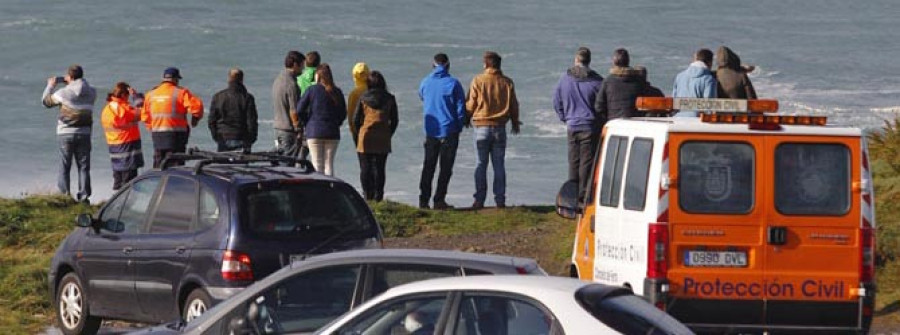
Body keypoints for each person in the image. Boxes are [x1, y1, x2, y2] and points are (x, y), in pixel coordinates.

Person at [465, 51, 520, 209]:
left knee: (480, 164)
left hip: (481, 126)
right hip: (500, 127)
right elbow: (514, 105)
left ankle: (479, 199)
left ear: (486, 64)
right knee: (499, 165)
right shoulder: (507, 82)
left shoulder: (478, 80)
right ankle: (500, 199)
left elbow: (471, 104)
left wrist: (466, 118)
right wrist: (515, 122)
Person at [553, 47, 603, 200]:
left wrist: (565, 118)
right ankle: (583, 195)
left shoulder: (564, 79)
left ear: (576, 60)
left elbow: (556, 101)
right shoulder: (597, 81)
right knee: (586, 163)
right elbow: (602, 106)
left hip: (572, 125)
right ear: (589, 61)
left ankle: (571, 195)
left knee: (573, 161)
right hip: (589, 125)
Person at [417, 53, 466, 210]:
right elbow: (460, 109)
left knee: (428, 167)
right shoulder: (453, 83)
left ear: (433, 65)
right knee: (445, 168)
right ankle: (439, 200)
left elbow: (422, 97)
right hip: (449, 129)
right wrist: (459, 127)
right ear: (448, 65)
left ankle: (423, 201)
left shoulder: (425, 82)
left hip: (431, 130)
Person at [41, 64, 97, 201]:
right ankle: (84, 198)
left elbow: (45, 102)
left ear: (70, 77)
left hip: (65, 133)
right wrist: (73, 81)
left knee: (65, 165)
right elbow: (81, 90)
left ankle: (65, 196)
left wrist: (51, 85)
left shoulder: (63, 93)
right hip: (84, 133)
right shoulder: (92, 92)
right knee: (83, 166)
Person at [141, 67, 204, 168]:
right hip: (176, 135)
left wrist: (152, 127)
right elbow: (197, 105)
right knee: (176, 165)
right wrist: (195, 118)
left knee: (159, 164)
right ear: (175, 79)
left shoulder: (150, 94)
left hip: (157, 135)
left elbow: (145, 116)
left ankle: (158, 182)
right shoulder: (181, 92)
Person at [352, 71, 399, 201]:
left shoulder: (363, 98)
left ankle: (367, 194)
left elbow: (356, 120)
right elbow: (394, 120)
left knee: (365, 167)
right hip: (383, 135)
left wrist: (358, 133)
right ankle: (379, 196)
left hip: (365, 135)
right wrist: (388, 133)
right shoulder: (390, 98)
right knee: (380, 167)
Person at [297, 63, 346, 176]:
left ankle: (318, 191)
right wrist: (336, 123)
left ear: (317, 76)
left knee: (317, 164)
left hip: (314, 131)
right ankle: (330, 190)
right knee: (329, 164)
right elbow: (343, 113)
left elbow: (299, 109)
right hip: (332, 132)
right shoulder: (337, 92)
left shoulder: (312, 90)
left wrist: (307, 122)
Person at [101, 82, 144, 190]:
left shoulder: (107, 109)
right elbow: (142, 113)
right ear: (124, 95)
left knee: (118, 180)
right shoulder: (122, 109)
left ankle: (116, 204)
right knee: (129, 183)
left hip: (114, 149)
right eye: (128, 95)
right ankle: (127, 205)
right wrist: (137, 97)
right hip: (127, 148)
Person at [208, 68, 258, 152]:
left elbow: (211, 120)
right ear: (242, 79)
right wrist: (251, 139)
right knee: (241, 165)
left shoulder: (218, 97)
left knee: (223, 164)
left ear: (229, 79)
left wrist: (216, 136)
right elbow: (252, 122)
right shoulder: (247, 98)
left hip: (223, 137)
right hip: (242, 137)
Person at [595, 48, 648, 120]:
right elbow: (646, 103)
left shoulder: (608, 81)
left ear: (614, 62)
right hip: (635, 123)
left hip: (614, 122)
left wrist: (608, 117)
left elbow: (598, 106)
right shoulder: (638, 81)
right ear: (628, 61)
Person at [272, 50, 305, 159]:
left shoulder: (278, 80)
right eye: (302, 65)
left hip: (278, 127)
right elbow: (293, 110)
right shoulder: (291, 84)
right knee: (288, 163)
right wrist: (298, 129)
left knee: (281, 160)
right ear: (295, 64)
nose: (303, 69)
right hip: (288, 129)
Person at [672, 48, 717, 116]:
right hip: (697, 120)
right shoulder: (708, 79)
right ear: (710, 62)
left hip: (678, 118)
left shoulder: (680, 76)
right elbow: (708, 107)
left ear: (695, 59)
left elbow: (674, 100)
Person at [347, 62, 370, 135]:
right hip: (375, 128)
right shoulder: (373, 89)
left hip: (359, 129)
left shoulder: (354, 93)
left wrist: (352, 129)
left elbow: (351, 113)